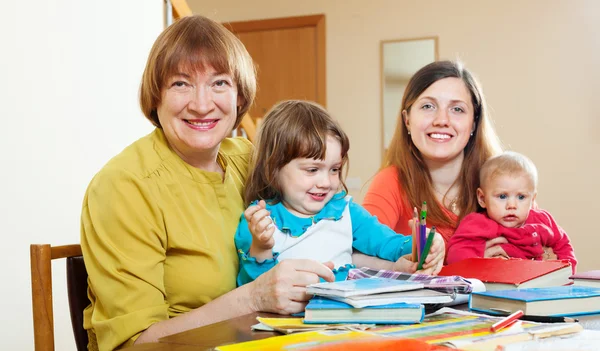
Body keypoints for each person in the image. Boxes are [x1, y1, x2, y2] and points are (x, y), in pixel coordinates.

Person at [80, 16, 335, 351]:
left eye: (219, 84)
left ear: (240, 96)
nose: (201, 105)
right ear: (155, 96)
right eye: (181, 84)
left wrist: (389, 259)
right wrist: (253, 298)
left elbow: (323, 219)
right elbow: (136, 344)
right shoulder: (123, 187)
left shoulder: (249, 158)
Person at [234, 100, 446, 285]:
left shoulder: (345, 210)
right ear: (273, 169)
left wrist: (423, 243)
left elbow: (387, 243)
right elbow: (253, 288)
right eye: (312, 170)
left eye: (334, 169)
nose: (326, 182)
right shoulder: (258, 222)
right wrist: (261, 247)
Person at [358, 60, 505, 271]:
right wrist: (398, 267)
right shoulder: (391, 181)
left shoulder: (501, 180)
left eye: (457, 109)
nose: (441, 120)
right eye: (428, 106)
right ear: (407, 120)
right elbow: (356, 257)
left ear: (474, 122)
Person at [446, 151, 577, 271]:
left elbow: (564, 246)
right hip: (498, 288)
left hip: (539, 288)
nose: (512, 205)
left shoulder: (543, 220)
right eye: (502, 196)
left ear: (532, 199)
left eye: (521, 197)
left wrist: (564, 271)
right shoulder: (477, 224)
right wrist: (480, 258)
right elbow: (454, 255)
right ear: (482, 198)